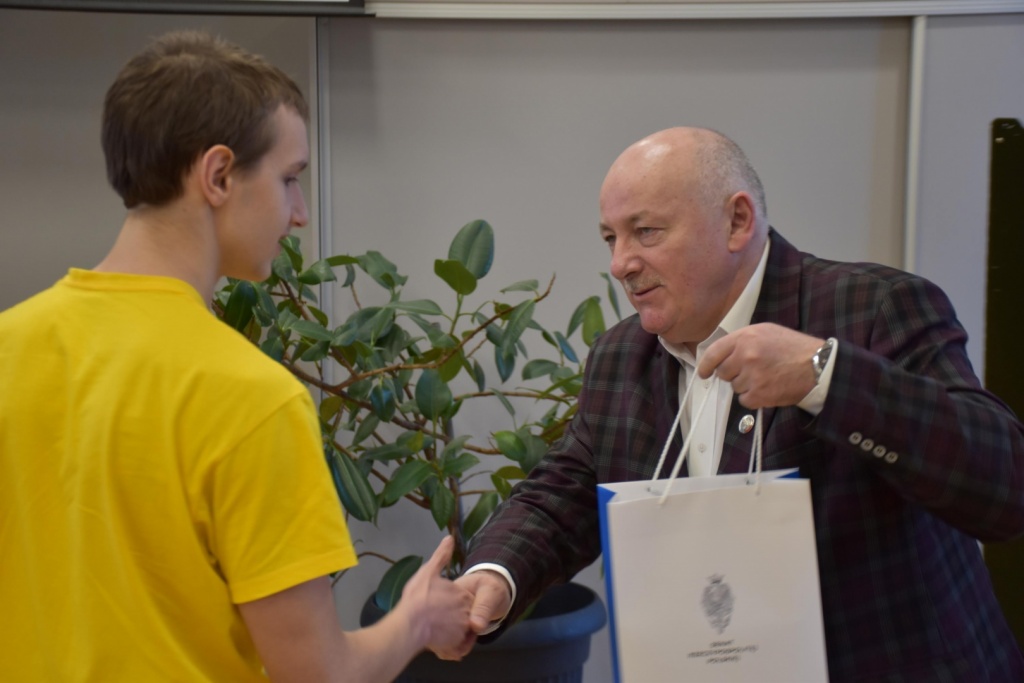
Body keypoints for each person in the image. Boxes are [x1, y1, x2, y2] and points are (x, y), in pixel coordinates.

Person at [446, 127, 1024, 681]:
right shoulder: (619, 356)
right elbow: (564, 492)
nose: (621, 263)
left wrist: (826, 377)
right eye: (610, 238)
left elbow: (1004, 485)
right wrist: (494, 575)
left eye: (645, 231)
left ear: (737, 222)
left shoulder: (876, 308)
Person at [0, 30, 471, 682]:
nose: (299, 213)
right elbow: (319, 676)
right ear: (218, 175)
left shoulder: (9, 345)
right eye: (289, 179)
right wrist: (416, 619)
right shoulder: (253, 398)